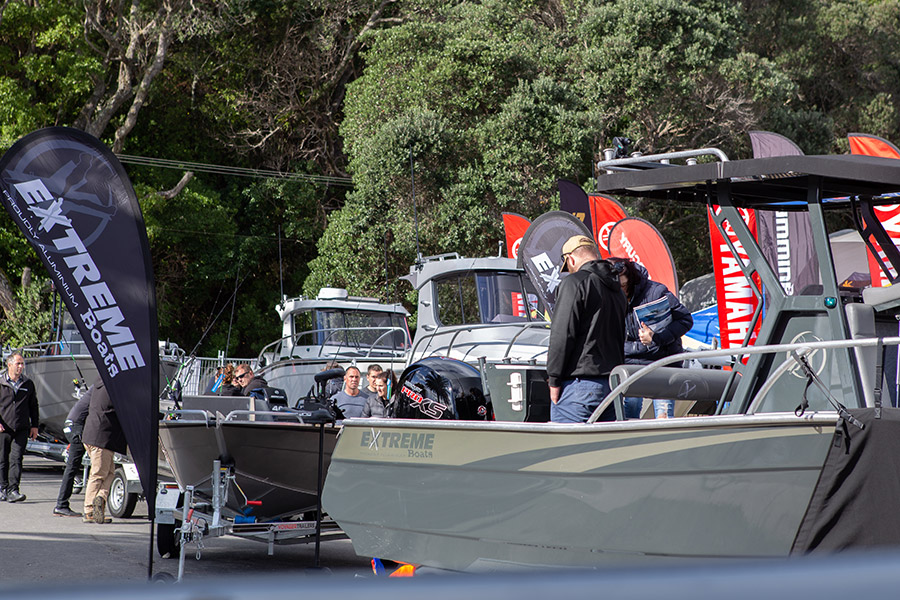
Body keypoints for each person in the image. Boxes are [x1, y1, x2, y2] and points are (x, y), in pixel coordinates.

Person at [547, 235, 626, 423]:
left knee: (566, 450)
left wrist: (554, 379)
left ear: (571, 259)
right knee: (604, 451)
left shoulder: (574, 283)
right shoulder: (618, 291)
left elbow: (562, 335)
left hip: (580, 387)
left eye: (568, 267)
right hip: (612, 385)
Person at [611, 258, 693, 419]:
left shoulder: (656, 291)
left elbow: (685, 320)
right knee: (629, 413)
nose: (621, 291)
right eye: (616, 287)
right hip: (630, 364)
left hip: (661, 362)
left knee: (664, 415)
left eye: (623, 286)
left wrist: (657, 338)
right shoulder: (609, 296)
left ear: (631, 279)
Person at [81, 378, 126, 523]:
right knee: (99, 474)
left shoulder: (99, 385)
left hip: (90, 434)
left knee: (110, 472)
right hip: (102, 437)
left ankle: (99, 498)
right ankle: (89, 510)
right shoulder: (114, 388)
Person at [0, 352, 39, 502]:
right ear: (9, 365)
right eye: (18, 364)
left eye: (22, 364)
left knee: (16, 459)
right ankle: (2, 488)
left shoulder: (27, 384)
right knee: (2, 459)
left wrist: (34, 425)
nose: (21, 367)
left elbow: (33, 406)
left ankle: (13, 490)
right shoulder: (1, 382)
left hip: (21, 428)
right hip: (4, 427)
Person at [53, 389, 91, 516]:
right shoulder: (102, 387)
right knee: (72, 468)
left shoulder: (96, 386)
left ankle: (61, 505)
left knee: (72, 468)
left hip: (73, 425)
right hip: (76, 428)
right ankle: (61, 505)